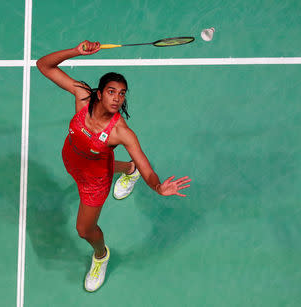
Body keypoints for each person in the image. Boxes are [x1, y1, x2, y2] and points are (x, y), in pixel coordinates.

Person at [36, 40, 191, 292]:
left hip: (94, 182)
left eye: (122, 93)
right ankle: (129, 170)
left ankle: (101, 256)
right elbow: (43, 65)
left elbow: (147, 166)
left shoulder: (122, 132)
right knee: (104, 160)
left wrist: (157, 187)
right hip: (72, 160)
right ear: (99, 93)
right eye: (111, 91)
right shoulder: (82, 95)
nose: (117, 98)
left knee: (84, 230)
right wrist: (75, 51)